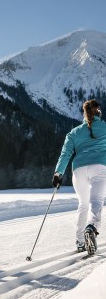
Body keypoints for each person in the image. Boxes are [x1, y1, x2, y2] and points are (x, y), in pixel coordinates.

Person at [53, 99, 106, 254]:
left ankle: (80, 242)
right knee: (96, 201)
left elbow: (65, 154)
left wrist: (58, 173)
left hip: (79, 170)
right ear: (98, 112)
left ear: (85, 113)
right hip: (100, 167)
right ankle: (91, 227)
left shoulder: (74, 133)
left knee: (83, 204)